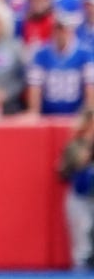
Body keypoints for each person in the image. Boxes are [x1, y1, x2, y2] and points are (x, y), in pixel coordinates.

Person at [59, 109, 94, 270]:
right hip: (80, 196)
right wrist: (80, 160)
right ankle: (81, 266)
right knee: (83, 229)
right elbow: (62, 173)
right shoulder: (76, 144)